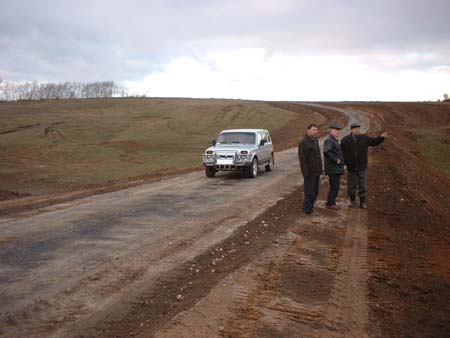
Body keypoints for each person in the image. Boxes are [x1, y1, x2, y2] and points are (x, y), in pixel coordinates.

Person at [340, 123, 388, 209]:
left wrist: (381, 137)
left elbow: (374, 142)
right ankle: (352, 202)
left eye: (358, 128)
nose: (357, 130)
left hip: (362, 167)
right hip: (351, 167)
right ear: (351, 130)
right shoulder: (345, 140)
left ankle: (362, 202)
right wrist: (344, 163)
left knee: (363, 185)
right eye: (355, 129)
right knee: (352, 185)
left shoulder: (364, 138)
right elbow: (341, 153)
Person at [298, 123, 323, 214]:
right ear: (308, 130)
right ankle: (308, 209)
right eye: (313, 130)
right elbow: (302, 159)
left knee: (316, 191)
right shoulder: (303, 142)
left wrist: (320, 169)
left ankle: (309, 207)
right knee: (309, 191)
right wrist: (305, 173)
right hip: (309, 172)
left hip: (317, 171)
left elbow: (318, 156)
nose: (315, 132)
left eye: (316, 130)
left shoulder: (315, 140)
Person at [323, 123, 345, 210]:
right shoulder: (330, 140)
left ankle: (331, 202)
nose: (338, 132)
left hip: (335, 168)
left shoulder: (334, 140)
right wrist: (336, 159)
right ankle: (330, 203)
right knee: (335, 187)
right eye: (336, 130)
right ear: (331, 130)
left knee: (335, 187)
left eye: (339, 130)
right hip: (333, 168)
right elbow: (327, 151)